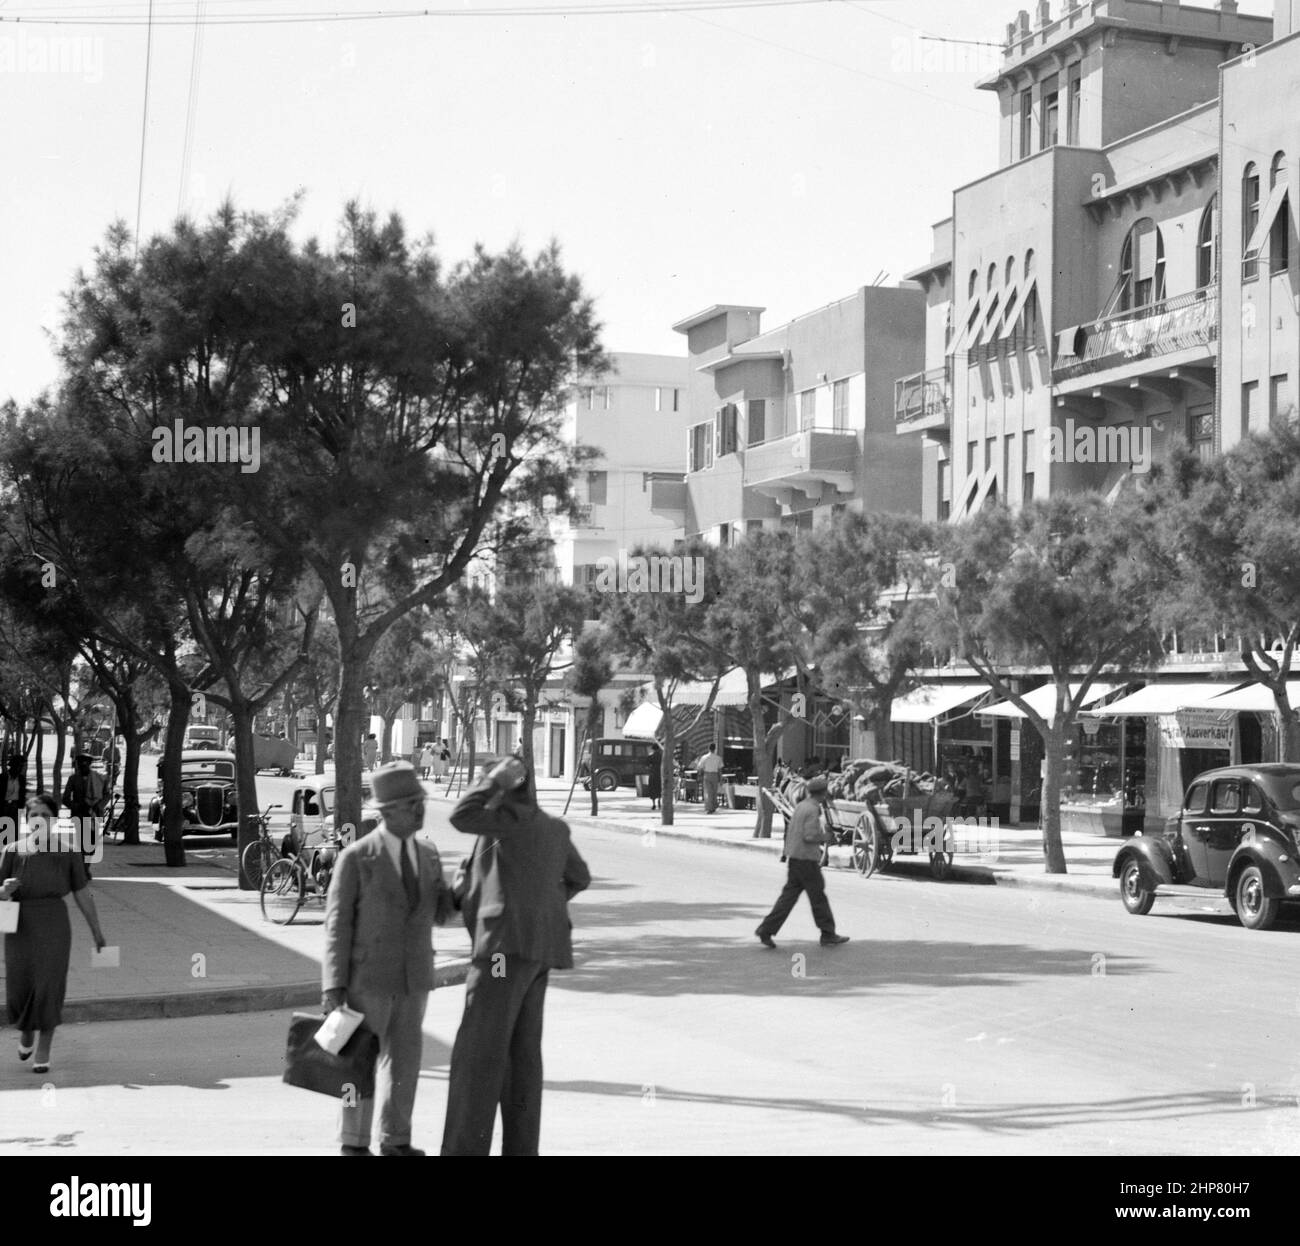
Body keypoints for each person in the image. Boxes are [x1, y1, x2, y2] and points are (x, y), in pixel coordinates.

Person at [442, 755, 591, 1156]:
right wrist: (540, 907)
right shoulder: (552, 828)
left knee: (478, 1058)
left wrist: (492, 781)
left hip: (502, 951)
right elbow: (580, 877)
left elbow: (460, 813)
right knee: (521, 1062)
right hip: (541, 951)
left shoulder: (503, 821)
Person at [322, 762, 453, 1156]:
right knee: (358, 1065)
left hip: (414, 980)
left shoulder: (428, 853)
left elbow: (443, 909)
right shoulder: (357, 858)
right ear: (388, 811)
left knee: (406, 1064)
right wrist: (333, 985)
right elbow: (336, 924)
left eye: (421, 802)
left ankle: (396, 1141)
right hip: (368, 981)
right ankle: (353, 1143)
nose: (420, 810)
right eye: (412, 804)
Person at [0, 792, 107, 1073]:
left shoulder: (69, 852)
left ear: (55, 821)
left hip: (54, 924)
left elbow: (82, 892)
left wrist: (96, 930)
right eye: (34, 815)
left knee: (49, 985)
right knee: (20, 986)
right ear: (26, 820)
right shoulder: (12, 851)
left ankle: (44, 1048)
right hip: (19, 925)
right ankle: (26, 1031)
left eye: (46, 816)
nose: (40, 820)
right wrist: (4, 890)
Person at [755, 775, 849, 950]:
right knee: (818, 897)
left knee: (787, 898)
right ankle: (828, 933)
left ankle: (766, 929)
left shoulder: (800, 807)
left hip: (794, 858)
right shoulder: (813, 810)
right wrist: (825, 837)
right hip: (807, 860)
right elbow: (809, 835)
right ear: (822, 794)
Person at [62, 754, 106, 876]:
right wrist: (76, 806)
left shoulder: (98, 778)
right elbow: (65, 798)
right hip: (80, 815)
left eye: (86, 764)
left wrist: (99, 805)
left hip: (94, 815)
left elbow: (107, 793)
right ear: (77, 765)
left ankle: (86, 866)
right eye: (81, 764)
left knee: (92, 844)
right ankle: (82, 870)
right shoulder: (73, 779)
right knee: (81, 844)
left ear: (89, 765)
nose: (83, 767)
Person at [1, 757, 27, 844]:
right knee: (3, 832)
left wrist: (21, 808)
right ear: (13, 766)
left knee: (15, 833)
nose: (20, 769)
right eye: (19, 766)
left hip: (15, 807)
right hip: (4, 807)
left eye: (22, 766)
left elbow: (22, 794)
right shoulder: (2, 777)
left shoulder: (21, 779)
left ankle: (12, 853)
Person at [696, 745, 724, 814]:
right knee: (714, 791)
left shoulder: (704, 757)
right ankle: (713, 806)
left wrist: (699, 775)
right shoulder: (718, 758)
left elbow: (700, 767)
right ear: (715, 749)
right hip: (715, 775)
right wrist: (720, 779)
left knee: (708, 792)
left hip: (707, 775)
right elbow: (720, 769)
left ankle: (709, 808)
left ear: (708, 749)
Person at [646, 744, 662, 811]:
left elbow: (647, 766)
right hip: (660, 774)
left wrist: (650, 768)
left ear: (653, 749)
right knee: (659, 788)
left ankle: (653, 804)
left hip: (652, 774)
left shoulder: (650, 756)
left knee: (652, 788)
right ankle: (659, 800)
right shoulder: (662, 756)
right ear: (658, 749)